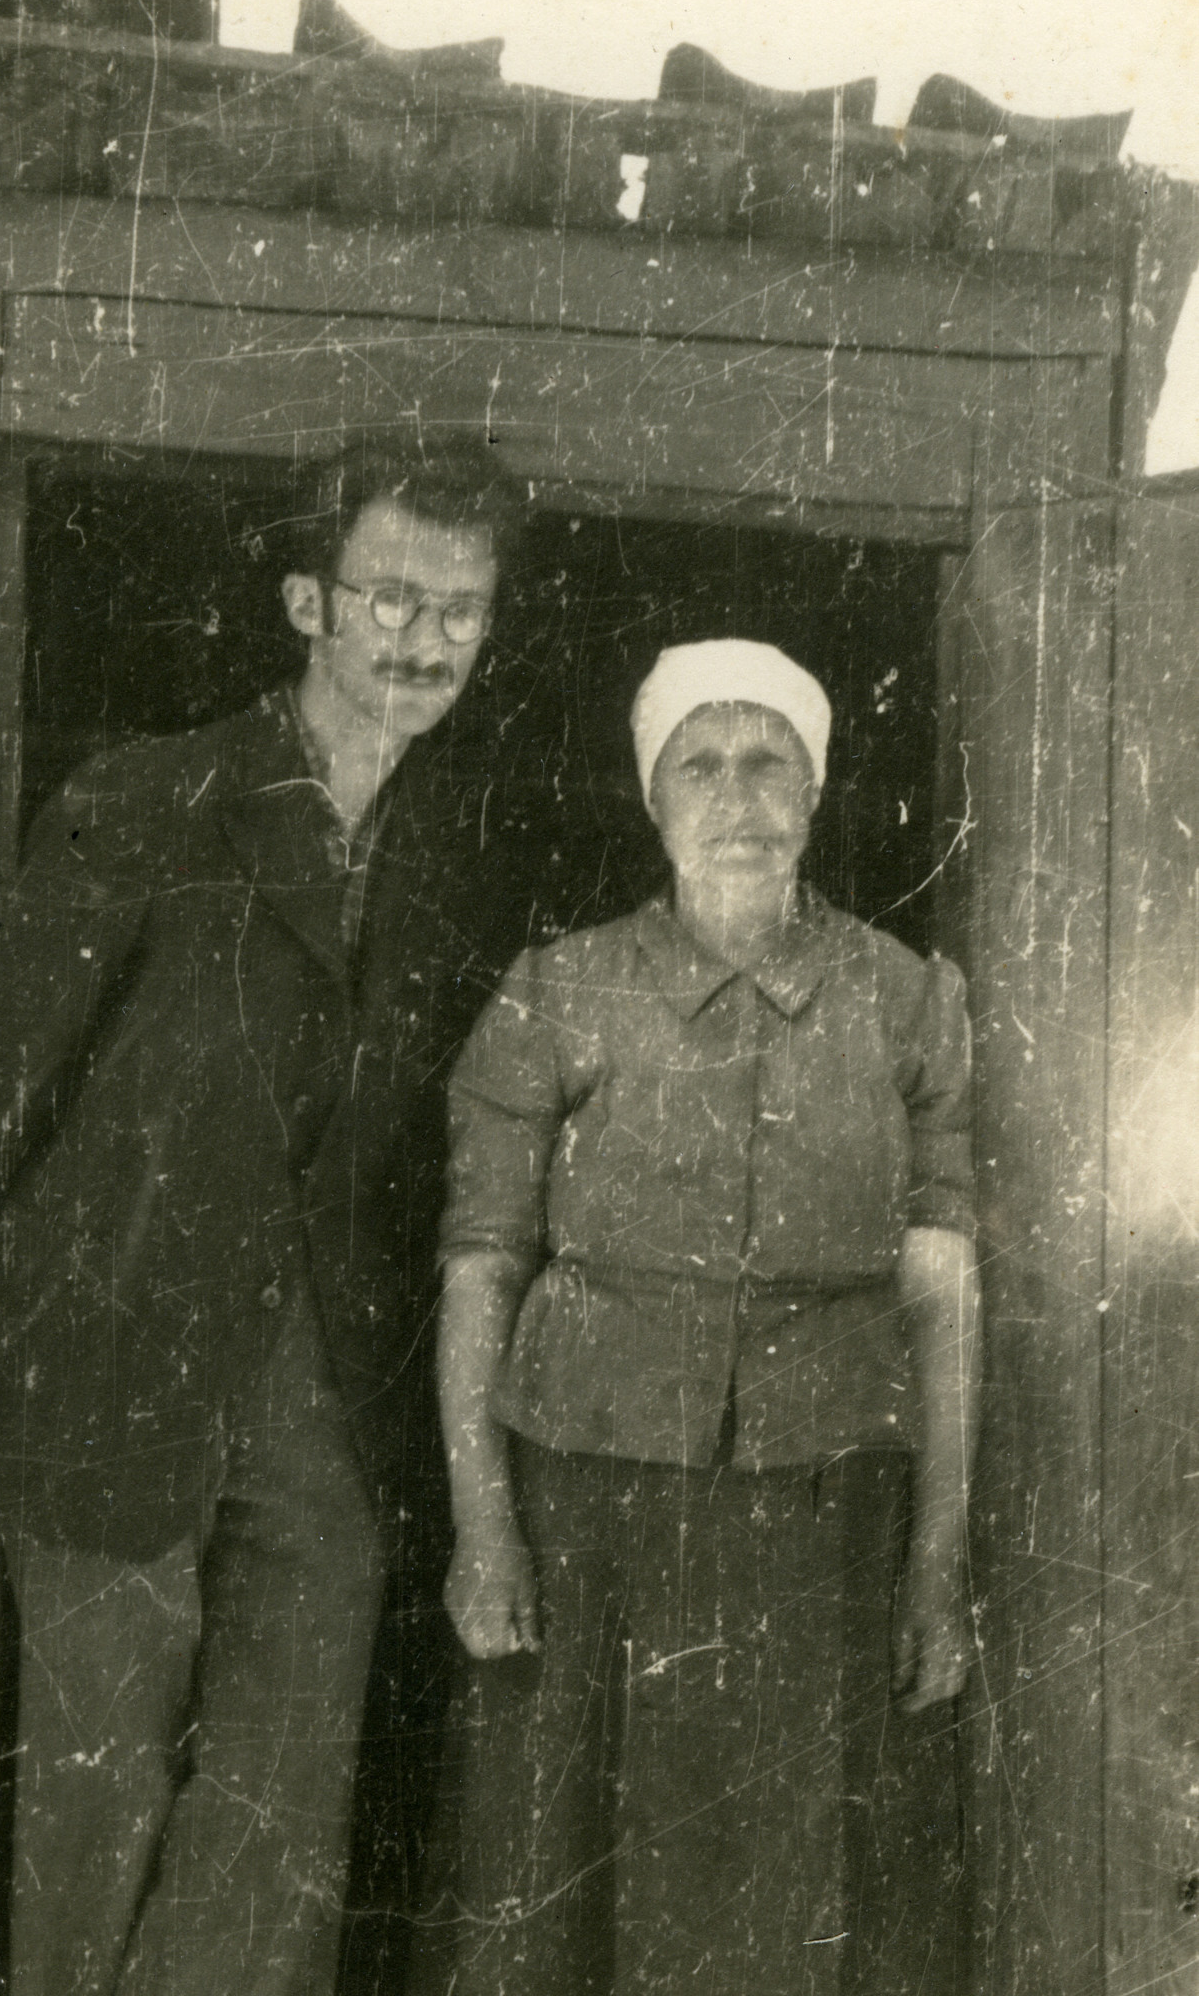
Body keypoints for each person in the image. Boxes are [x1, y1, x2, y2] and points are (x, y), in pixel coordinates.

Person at [0, 437, 532, 1996]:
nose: (423, 640)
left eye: (461, 609)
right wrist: (1, 1371)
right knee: (96, 1796)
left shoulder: (458, 865)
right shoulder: (150, 795)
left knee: (277, 1813)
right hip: (106, 1374)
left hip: (325, 1403)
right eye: (392, 596)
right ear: (307, 601)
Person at [421, 639, 982, 1994]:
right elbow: (481, 1270)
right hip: (580, 1503)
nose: (738, 795)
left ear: (815, 790)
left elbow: (944, 1293)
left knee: (792, 1874)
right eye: (701, 765)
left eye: (768, 760)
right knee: (545, 1862)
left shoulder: (907, 998)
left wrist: (932, 1565)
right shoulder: (558, 990)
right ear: (653, 801)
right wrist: (484, 1529)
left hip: (822, 1506)